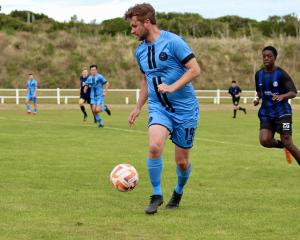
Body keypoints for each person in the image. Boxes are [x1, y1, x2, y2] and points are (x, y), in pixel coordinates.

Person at [125, 3, 201, 214]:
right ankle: (156, 194)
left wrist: (172, 87)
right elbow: (145, 81)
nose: (132, 31)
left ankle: (178, 191)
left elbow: (195, 69)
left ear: (147, 22)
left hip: (185, 110)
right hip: (159, 108)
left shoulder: (174, 42)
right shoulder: (139, 51)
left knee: (182, 162)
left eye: (134, 26)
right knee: (154, 147)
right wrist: (138, 106)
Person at [253, 46, 300, 165]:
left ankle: (287, 147)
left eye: (269, 56)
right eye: (264, 56)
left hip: (282, 112)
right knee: (264, 140)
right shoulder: (259, 74)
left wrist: (282, 96)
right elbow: (259, 91)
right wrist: (257, 98)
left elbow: (293, 92)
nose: (266, 58)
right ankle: (283, 147)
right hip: (266, 113)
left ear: (275, 58)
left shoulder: (281, 74)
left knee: (288, 142)